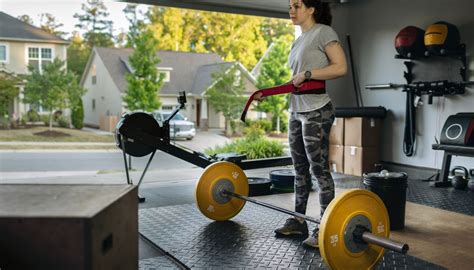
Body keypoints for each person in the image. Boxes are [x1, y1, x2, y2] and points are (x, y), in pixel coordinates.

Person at [273, 0, 347, 248]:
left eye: (296, 5)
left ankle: (324, 227)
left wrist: (308, 74)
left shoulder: (323, 32)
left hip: (317, 111)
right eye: (290, 6)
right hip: (296, 111)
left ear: (312, 8)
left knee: (319, 170)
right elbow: (298, 78)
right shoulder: (298, 40)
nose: (291, 10)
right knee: (299, 169)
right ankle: (298, 221)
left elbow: (340, 67)